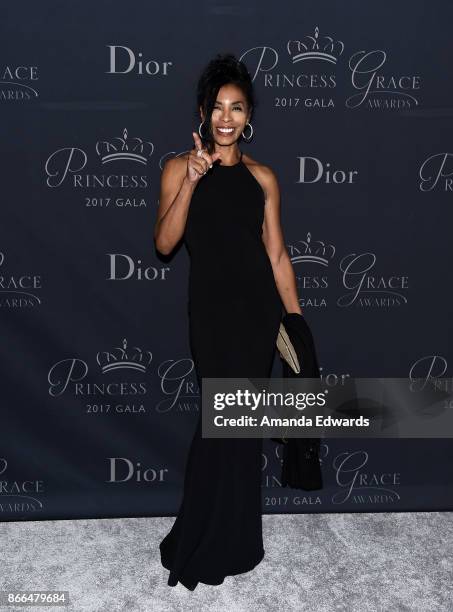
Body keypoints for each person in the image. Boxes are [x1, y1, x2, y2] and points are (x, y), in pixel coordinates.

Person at [154, 52, 303, 590]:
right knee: (221, 426)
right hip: (213, 318)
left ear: (248, 117)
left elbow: (279, 257)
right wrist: (193, 179)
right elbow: (165, 243)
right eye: (217, 107)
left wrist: (297, 325)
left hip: (258, 316)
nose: (226, 117)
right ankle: (195, 540)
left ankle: (238, 540)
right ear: (202, 112)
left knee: (239, 430)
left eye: (236, 108)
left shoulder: (264, 177)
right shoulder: (178, 167)